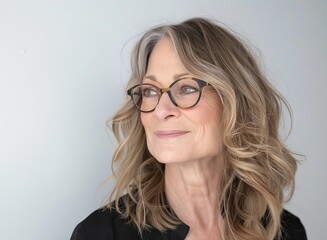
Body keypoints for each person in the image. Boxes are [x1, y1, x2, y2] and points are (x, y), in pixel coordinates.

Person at [70, 17, 307, 240]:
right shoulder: (102, 233)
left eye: (186, 88)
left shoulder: (285, 230)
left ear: (236, 101)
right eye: (151, 91)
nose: (161, 111)